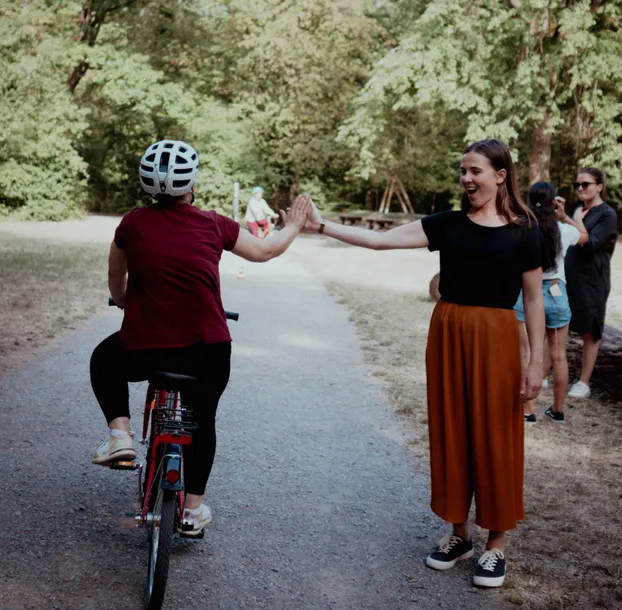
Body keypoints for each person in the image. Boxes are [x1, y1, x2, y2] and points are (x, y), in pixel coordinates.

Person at [304, 139, 544, 589]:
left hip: (496, 338)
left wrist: (537, 363)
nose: (467, 179)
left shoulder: (525, 229)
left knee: (496, 436)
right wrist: (321, 226)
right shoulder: (448, 225)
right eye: (462, 171)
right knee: (452, 431)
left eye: (475, 171)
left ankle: (496, 546)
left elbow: (533, 299)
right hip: (449, 331)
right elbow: (379, 240)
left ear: (500, 175)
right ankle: (459, 535)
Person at [90, 140, 310, 537]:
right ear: (191, 184)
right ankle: (191, 513)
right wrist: (293, 225)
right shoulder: (214, 223)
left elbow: (115, 278)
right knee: (203, 420)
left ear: (147, 186)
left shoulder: (132, 224)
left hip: (145, 348)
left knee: (104, 358)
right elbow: (263, 252)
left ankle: (120, 436)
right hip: (208, 352)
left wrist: (123, 301)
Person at [515, 182, 587, 423]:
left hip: (528, 295)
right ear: (553, 202)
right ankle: (557, 410)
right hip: (557, 292)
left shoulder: (523, 227)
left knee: (526, 354)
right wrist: (565, 215)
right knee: (558, 356)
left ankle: (528, 410)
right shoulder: (562, 230)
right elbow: (584, 236)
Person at [565, 168, 618, 398]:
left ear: (599, 186)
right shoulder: (579, 210)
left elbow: (591, 243)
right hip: (571, 278)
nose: (580, 189)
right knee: (560, 324)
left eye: (585, 184)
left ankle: (584, 383)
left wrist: (574, 218)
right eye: (578, 185)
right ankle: (546, 370)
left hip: (593, 280)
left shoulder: (607, 215)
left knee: (590, 332)